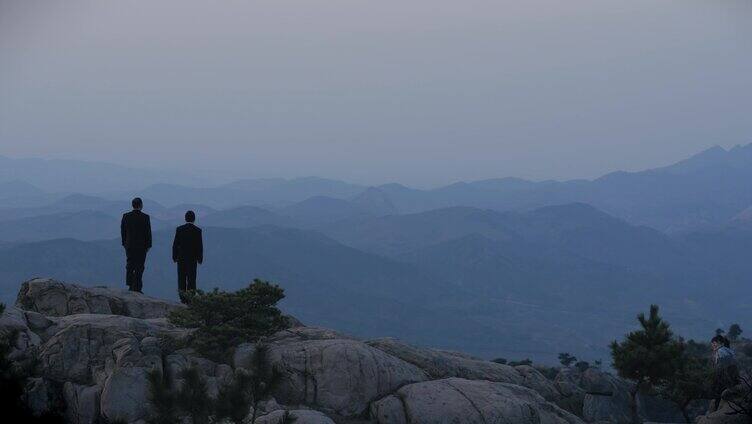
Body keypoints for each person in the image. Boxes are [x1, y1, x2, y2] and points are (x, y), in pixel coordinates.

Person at [121, 197, 152, 293]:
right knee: (139, 266)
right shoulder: (145, 217)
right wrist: (148, 245)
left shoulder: (126, 216)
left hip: (129, 245)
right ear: (141, 205)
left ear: (132, 205)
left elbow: (123, 231)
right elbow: (148, 233)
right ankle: (137, 287)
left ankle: (130, 284)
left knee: (130, 264)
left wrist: (124, 243)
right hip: (141, 247)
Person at [172, 210, 203, 296]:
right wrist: (200, 258)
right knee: (191, 279)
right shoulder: (197, 231)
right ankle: (191, 298)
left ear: (185, 219)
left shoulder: (179, 229)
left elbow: (175, 244)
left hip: (181, 258)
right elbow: (199, 246)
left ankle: (182, 297)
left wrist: (174, 257)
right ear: (194, 219)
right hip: (192, 259)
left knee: (181, 278)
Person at [710, 334, 739, 411]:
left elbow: (720, 366)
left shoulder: (720, 351)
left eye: (713, 343)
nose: (712, 346)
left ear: (718, 342)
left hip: (724, 377)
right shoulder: (729, 351)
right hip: (734, 377)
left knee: (718, 395)